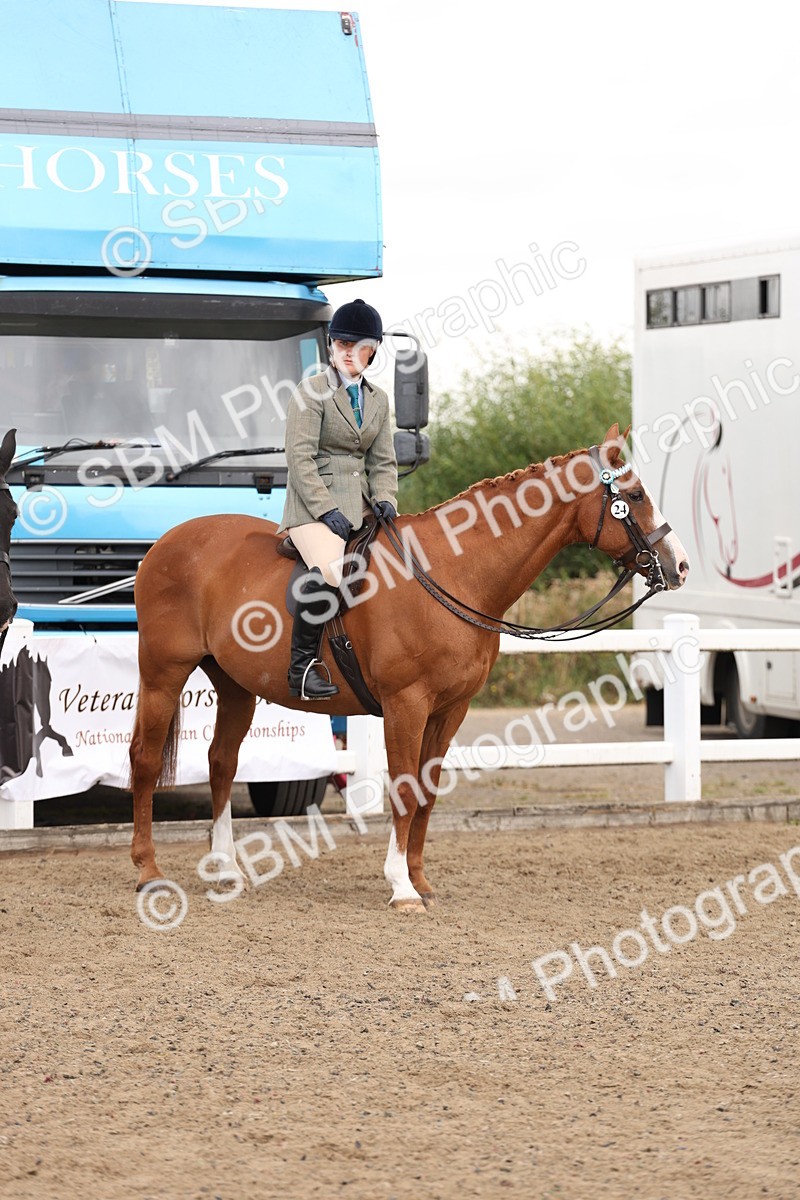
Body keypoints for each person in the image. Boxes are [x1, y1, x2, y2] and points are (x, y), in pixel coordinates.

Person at [278, 298, 398, 701]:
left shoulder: (378, 400)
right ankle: (302, 669)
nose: (349, 352)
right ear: (331, 346)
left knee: (399, 559)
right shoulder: (310, 392)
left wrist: (385, 499)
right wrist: (325, 509)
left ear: (373, 351)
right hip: (311, 507)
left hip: (359, 504)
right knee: (331, 571)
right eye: (342, 344)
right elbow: (299, 458)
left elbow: (383, 462)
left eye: (358, 345)